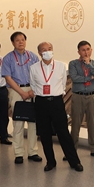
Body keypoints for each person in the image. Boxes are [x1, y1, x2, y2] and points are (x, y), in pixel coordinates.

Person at [30, 42, 82, 172]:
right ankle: (50, 162)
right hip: (41, 102)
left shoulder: (60, 66)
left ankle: (74, 161)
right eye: (44, 49)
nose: (47, 51)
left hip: (57, 102)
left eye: (49, 49)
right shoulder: (34, 68)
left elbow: (63, 83)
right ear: (39, 53)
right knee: (45, 133)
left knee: (63, 132)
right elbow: (33, 85)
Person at [1, 31, 42, 165]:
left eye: (23, 39)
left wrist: (33, 90)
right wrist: (22, 93)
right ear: (13, 42)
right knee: (18, 123)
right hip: (16, 90)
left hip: (32, 90)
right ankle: (18, 153)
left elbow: (39, 74)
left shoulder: (33, 56)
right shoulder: (8, 58)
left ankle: (33, 152)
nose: (21, 42)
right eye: (17, 40)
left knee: (33, 123)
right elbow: (8, 78)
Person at [68, 40, 94, 158]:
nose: (86, 52)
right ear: (78, 52)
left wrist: (89, 64)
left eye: (88, 49)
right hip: (78, 96)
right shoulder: (73, 63)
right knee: (76, 124)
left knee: (92, 123)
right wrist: (89, 78)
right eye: (83, 50)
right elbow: (74, 78)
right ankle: (72, 150)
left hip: (92, 96)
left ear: (91, 50)